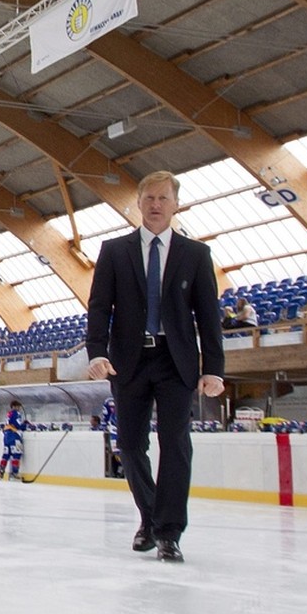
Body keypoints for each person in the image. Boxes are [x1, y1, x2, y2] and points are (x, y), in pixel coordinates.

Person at [85, 171, 225, 564]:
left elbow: (208, 315)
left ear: (176, 203)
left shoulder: (195, 255)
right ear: (139, 202)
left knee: (176, 445)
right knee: (130, 445)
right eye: (149, 198)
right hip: (128, 360)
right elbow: (99, 306)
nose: (156, 205)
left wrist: (213, 367)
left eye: (164, 198)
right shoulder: (114, 251)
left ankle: (167, 532)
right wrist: (97, 352)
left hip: (175, 360)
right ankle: (149, 515)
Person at [0, 399, 32, 480]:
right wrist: (25, 425)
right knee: (16, 455)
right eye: (18, 407)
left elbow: (8, 424)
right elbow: (18, 425)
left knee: (6, 454)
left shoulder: (9, 414)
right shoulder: (16, 413)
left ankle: (1, 471)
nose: (19, 408)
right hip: (14, 436)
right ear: (14, 406)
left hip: (6, 437)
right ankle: (14, 473)